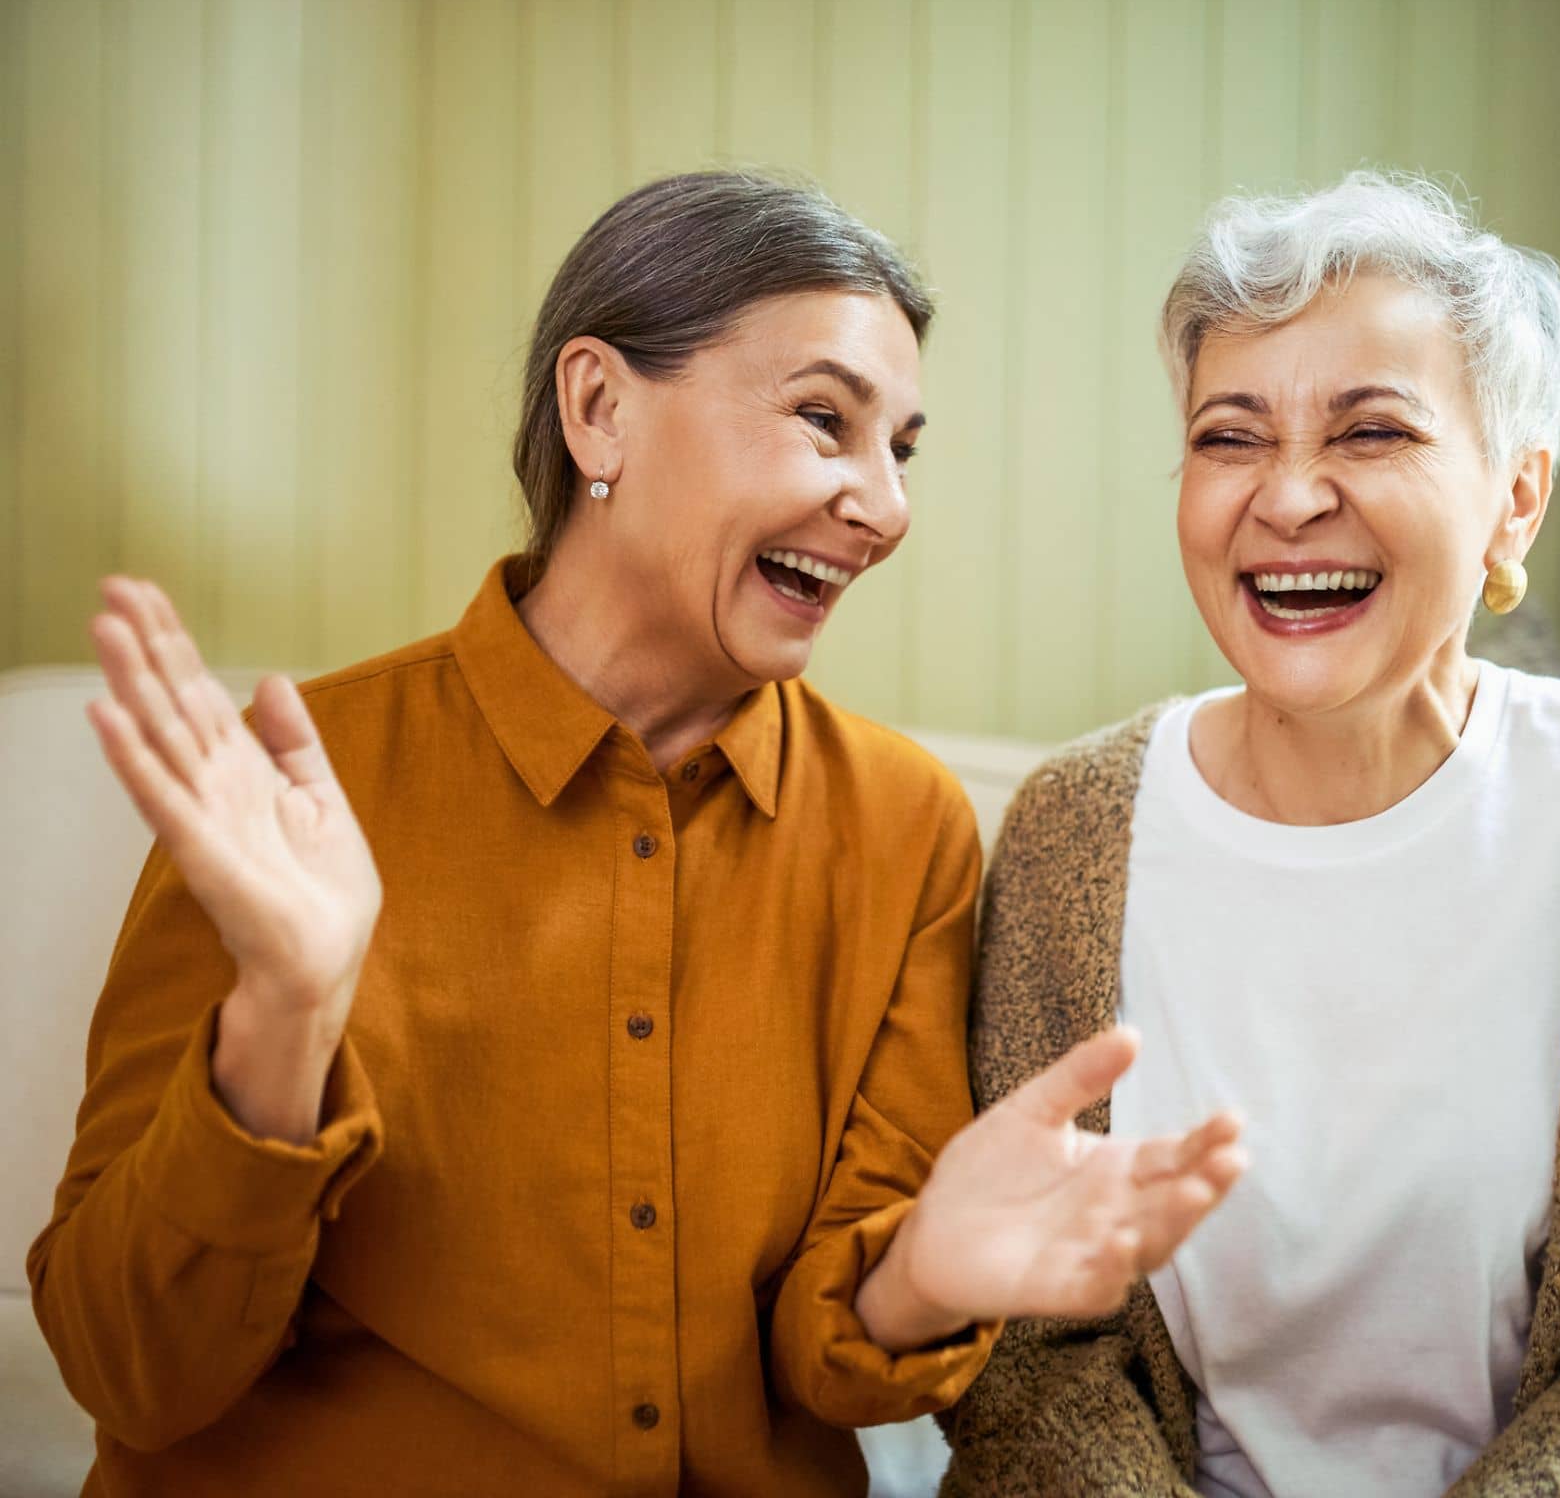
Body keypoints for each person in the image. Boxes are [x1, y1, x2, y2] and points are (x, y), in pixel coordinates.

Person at [28, 171, 1245, 1498]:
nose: (886, 508)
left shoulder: (906, 831)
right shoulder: (294, 791)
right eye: (823, 419)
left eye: (901, 448)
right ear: (600, 408)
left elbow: (831, 1367)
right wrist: (284, 1013)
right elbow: (126, 1365)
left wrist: (919, 1276)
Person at [941, 170, 1560, 1496]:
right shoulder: (1073, 829)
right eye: (1230, 437)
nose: (1290, 496)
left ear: (1515, 499)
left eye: (1372, 432)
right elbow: (1028, 1353)